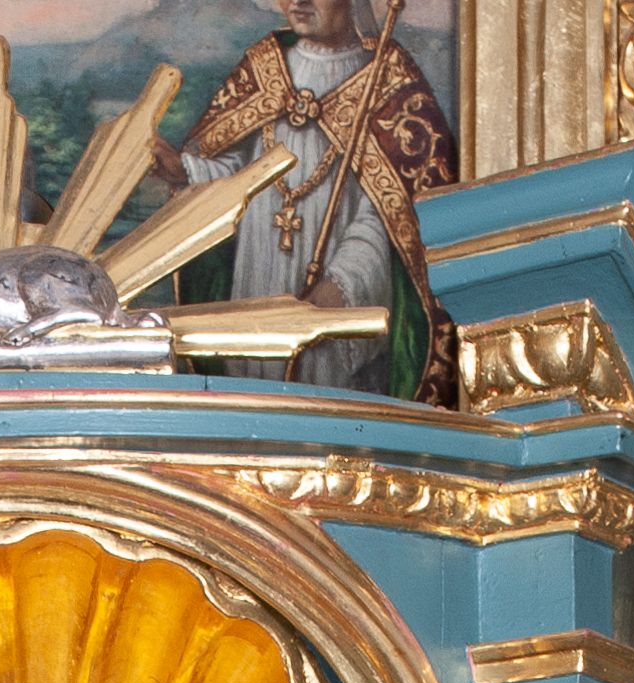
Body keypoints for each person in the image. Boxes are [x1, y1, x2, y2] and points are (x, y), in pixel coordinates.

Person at [157, 0, 458, 403]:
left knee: (322, 384)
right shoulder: (264, 67)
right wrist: (185, 171)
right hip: (258, 271)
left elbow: (390, 217)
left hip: (332, 285)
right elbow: (236, 171)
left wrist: (343, 282)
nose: (297, 2)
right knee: (253, 383)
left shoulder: (388, 84)